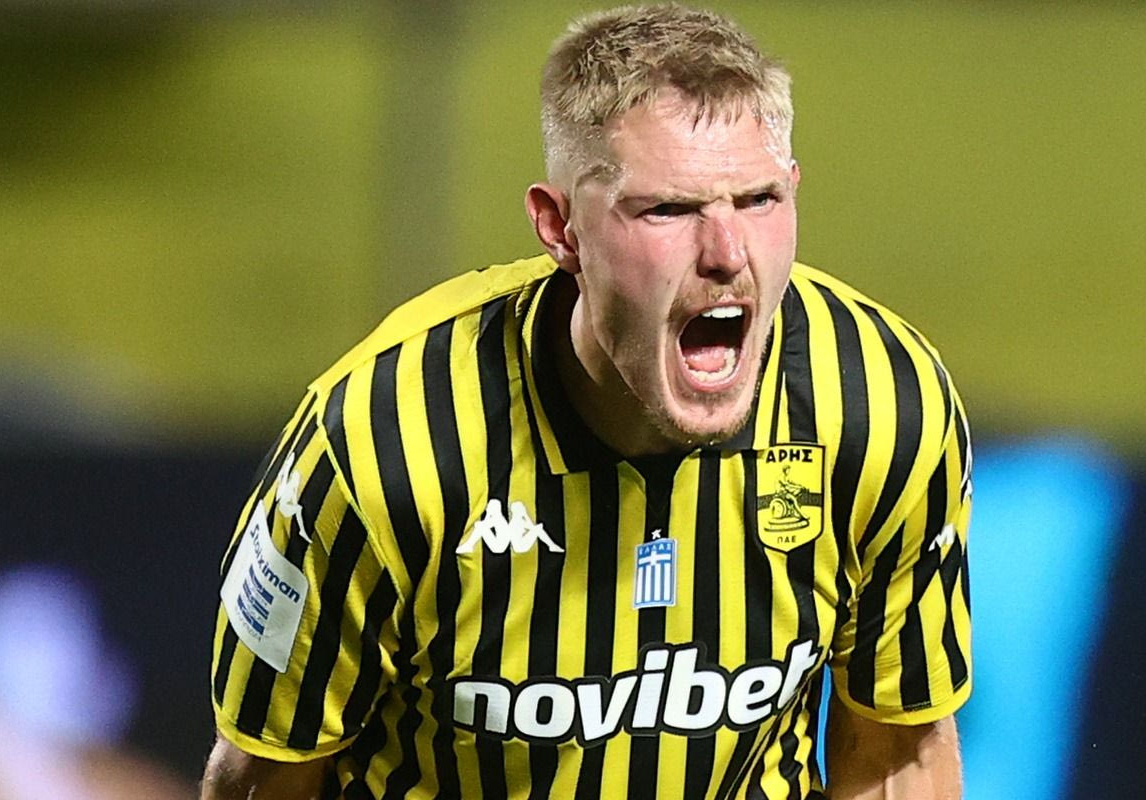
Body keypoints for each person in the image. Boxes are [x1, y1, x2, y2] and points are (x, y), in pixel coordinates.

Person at [201, 5, 973, 799]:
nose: (727, 254)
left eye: (759, 200)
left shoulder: (881, 405)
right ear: (560, 227)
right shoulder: (381, 445)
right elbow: (266, 779)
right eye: (668, 209)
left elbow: (897, 754)